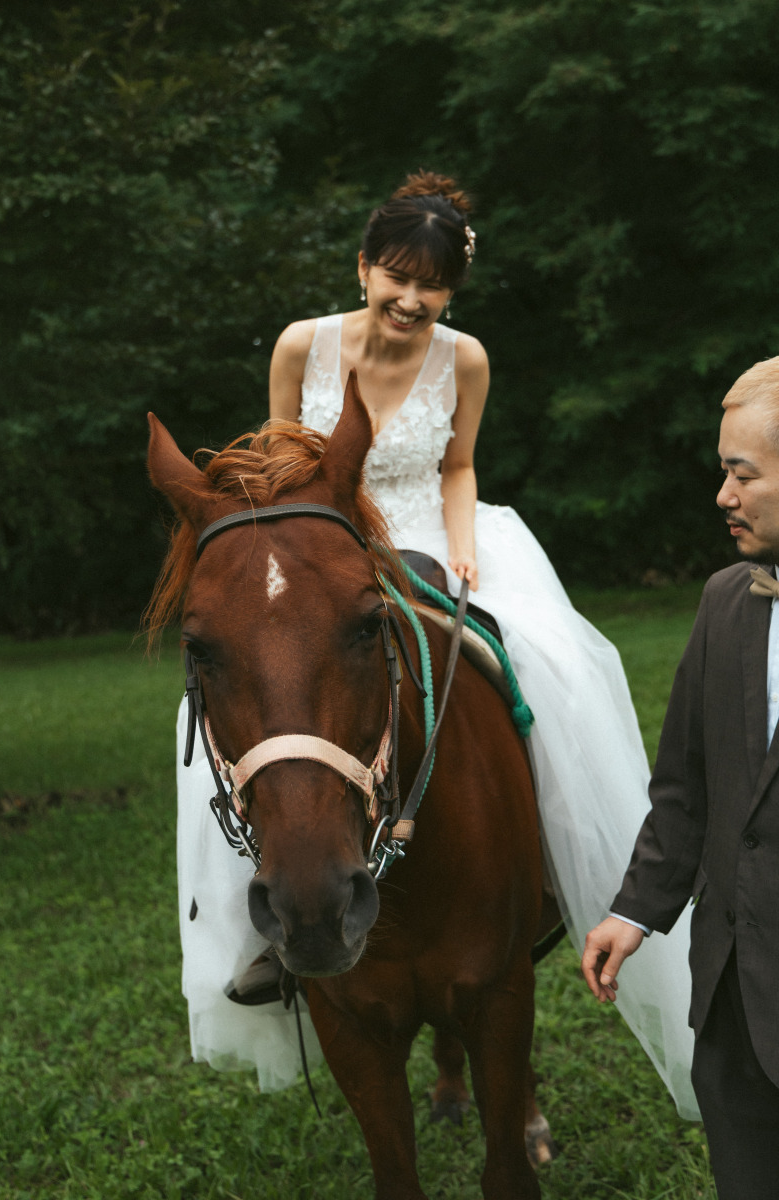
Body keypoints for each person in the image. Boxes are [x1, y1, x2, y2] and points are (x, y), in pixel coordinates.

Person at [176, 171, 697, 1115]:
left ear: (453, 290)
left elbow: (458, 466)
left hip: (434, 530)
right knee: (248, 704)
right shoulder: (302, 344)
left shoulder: (466, 359)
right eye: (396, 276)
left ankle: (541, 872)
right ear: (364, 265)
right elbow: (283, 459)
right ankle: (264, 936)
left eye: (434, 285)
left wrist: (463, 550)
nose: (412, 300)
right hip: (326, 539)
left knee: (550, 667)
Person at [581, 356, 779, 1198]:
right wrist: (636, 907)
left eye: (743, 473)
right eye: (721, 472)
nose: (722, 496)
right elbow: (687, 790)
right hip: (737, 992)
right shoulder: (724, 602)